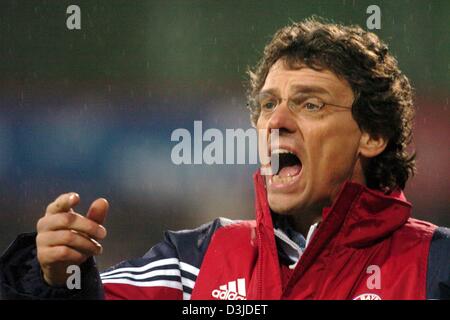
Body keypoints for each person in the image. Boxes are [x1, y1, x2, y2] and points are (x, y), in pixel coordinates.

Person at [0, 18, 449, 300]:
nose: (278, 121)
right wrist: (54, 279)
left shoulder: (436, 267)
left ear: (372, 134)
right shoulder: (191, 263)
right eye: (268, 104)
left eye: (310, 104)